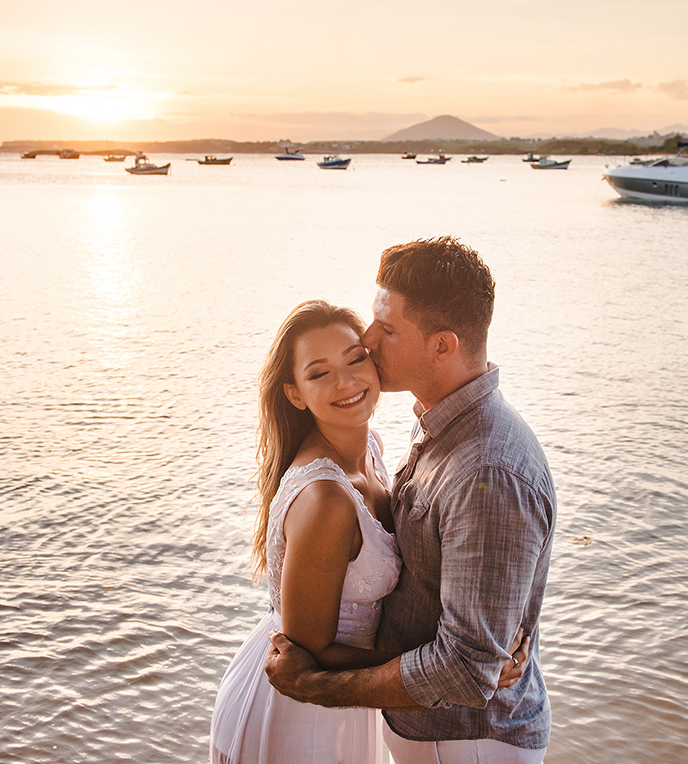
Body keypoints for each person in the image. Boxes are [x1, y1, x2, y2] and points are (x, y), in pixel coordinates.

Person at [265, 237, 557, 763]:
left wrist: (313, 685)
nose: (368, 341)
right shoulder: (438, 430)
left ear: (443, 346)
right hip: (432, 735)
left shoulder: (486, 471)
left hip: (466, 743)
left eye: (388, 329)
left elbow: (468, 669)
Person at [209, 299, 526, 764]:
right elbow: (308, 654)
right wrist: (460, 670)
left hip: (349, 700)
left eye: (355, 358)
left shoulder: (371, 451)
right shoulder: (325, 500)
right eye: (319, 373)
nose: (347, 382)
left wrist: (474, 645)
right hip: (301, 711)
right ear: (295, 394)